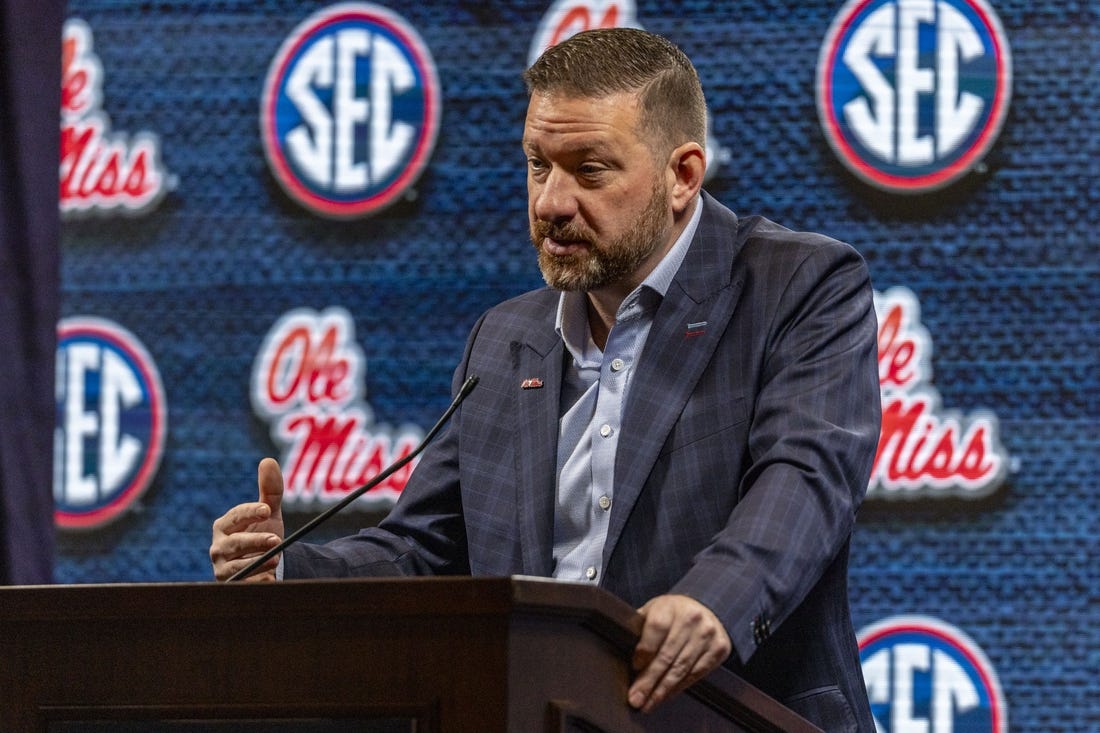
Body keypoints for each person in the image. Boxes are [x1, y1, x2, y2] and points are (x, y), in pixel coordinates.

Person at [211, 28, 880, 731]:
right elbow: (423, 551)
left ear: (683, 175)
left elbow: (806, 477)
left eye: (589, 170)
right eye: (538, 165)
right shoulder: (504, 340)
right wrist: (287, 571)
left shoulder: (797, 287)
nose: (551, 202)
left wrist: (714, 599)